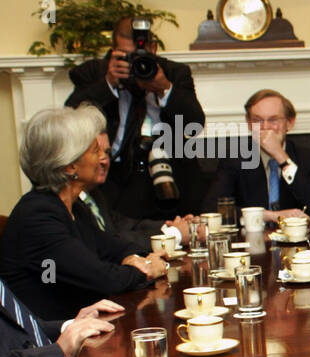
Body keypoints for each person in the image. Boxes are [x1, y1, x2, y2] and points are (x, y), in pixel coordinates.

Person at [1, 105, 168, 319]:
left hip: (84, 325)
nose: (102, 158)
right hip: (48, 342)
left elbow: (113, 246)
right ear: (70, 166)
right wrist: (147, 268)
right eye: (94, 150)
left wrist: (132, 257)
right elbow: (104, 278)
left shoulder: (72, 206)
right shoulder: (37, 217)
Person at [65, 15, 206, 220]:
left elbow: (195, 124)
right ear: (112, 51)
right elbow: (69, 118)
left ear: (153, 49)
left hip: (168, 172)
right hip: (116, 177)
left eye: (140, 55)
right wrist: (108, 84)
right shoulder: (94, 73)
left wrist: (164, 88)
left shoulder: (173, 73)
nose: (133, 63)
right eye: (125, 56)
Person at [202, 89, 310, 222]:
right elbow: (210, 209)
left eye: (273, 120)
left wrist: (281, 156)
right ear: (249, 123)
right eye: (257, 120)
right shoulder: (234, 159)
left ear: (289, 122)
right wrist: (269, 216)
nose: (265, 127)